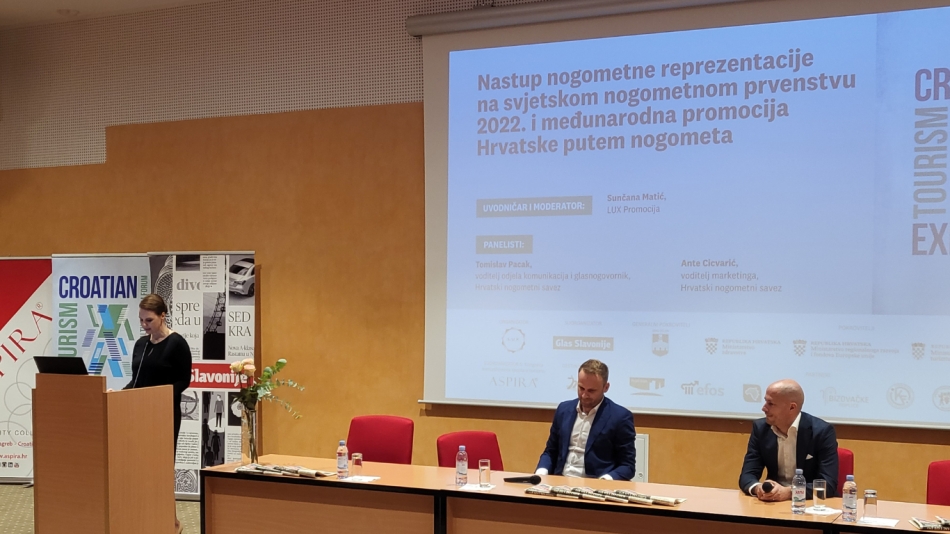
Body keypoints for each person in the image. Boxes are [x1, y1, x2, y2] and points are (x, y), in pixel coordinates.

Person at [123, 294, 192, 534]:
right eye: (141, 320)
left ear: (163, 316)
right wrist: (118, 394)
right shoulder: (141, 345)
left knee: (160, 470)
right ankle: (144, 519)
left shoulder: (177, 343)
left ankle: (172, 523)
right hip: (138, 415)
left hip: (163, 415)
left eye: (149, 320)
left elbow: (184, 380)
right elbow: (137, 381)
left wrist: (159, 396)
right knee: (140, 470)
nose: (144, 325)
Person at [535, 359, 637, 480]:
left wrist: (606, 480)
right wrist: (541, 472)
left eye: (591, 391)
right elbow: (550, 451)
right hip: (559, 481)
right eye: (581, 388)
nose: (584, 395)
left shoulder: (620, 417)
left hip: (595, 485)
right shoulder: (563, 410)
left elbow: (627, 466)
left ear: (606, 387)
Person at [739, 379, 839, 501]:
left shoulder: (822, 432)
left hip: (810, 504)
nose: (764, 408)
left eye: (770, 404)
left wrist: (789, 492)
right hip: (773, 503)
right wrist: (758, 488)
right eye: (765, 402)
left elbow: (828, 484)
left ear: (792, 407)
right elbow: (747, 475)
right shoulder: (760, 429)